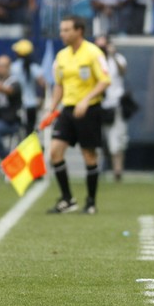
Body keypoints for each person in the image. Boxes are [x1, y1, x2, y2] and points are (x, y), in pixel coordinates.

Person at [44, 15, 110, 215]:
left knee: (88, 155)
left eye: (66, 30)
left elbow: (105, 80)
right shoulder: (61, 56)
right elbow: (59, 85)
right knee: (55, 152)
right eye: (61, 30)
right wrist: (52, 109)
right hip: (68, 109)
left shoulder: (93, 53)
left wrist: (85, 100)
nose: (62, 33)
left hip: (88, 109)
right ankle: (67, 199)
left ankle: (90, 202)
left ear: (79, 31)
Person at [96, 34, 129, 182]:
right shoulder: (95, 60)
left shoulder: (117, 59)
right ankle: (97, 168)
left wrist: (112, 54)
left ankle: (117, 171)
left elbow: (123, 71)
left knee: (117, 138)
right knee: (98, 138)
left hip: (115, 103)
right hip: (98, 103)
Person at [10, 39, 45, 134]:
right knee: (30, 131)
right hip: (31, 104)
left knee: (19, 132)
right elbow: (43, 84)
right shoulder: (34, 67)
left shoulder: (13, 67)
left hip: (17, 105)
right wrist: (41, 99)